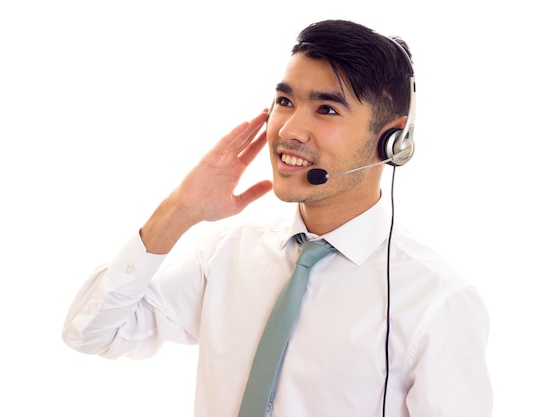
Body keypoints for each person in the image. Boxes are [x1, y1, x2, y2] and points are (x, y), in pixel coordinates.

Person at [62, 19, 492, 417]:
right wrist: (178, 212)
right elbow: (90, 333)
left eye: (326, 110)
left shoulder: (436, 300)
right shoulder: (228, 253)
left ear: (392, 140)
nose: (288, 130)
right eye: (285, 101)